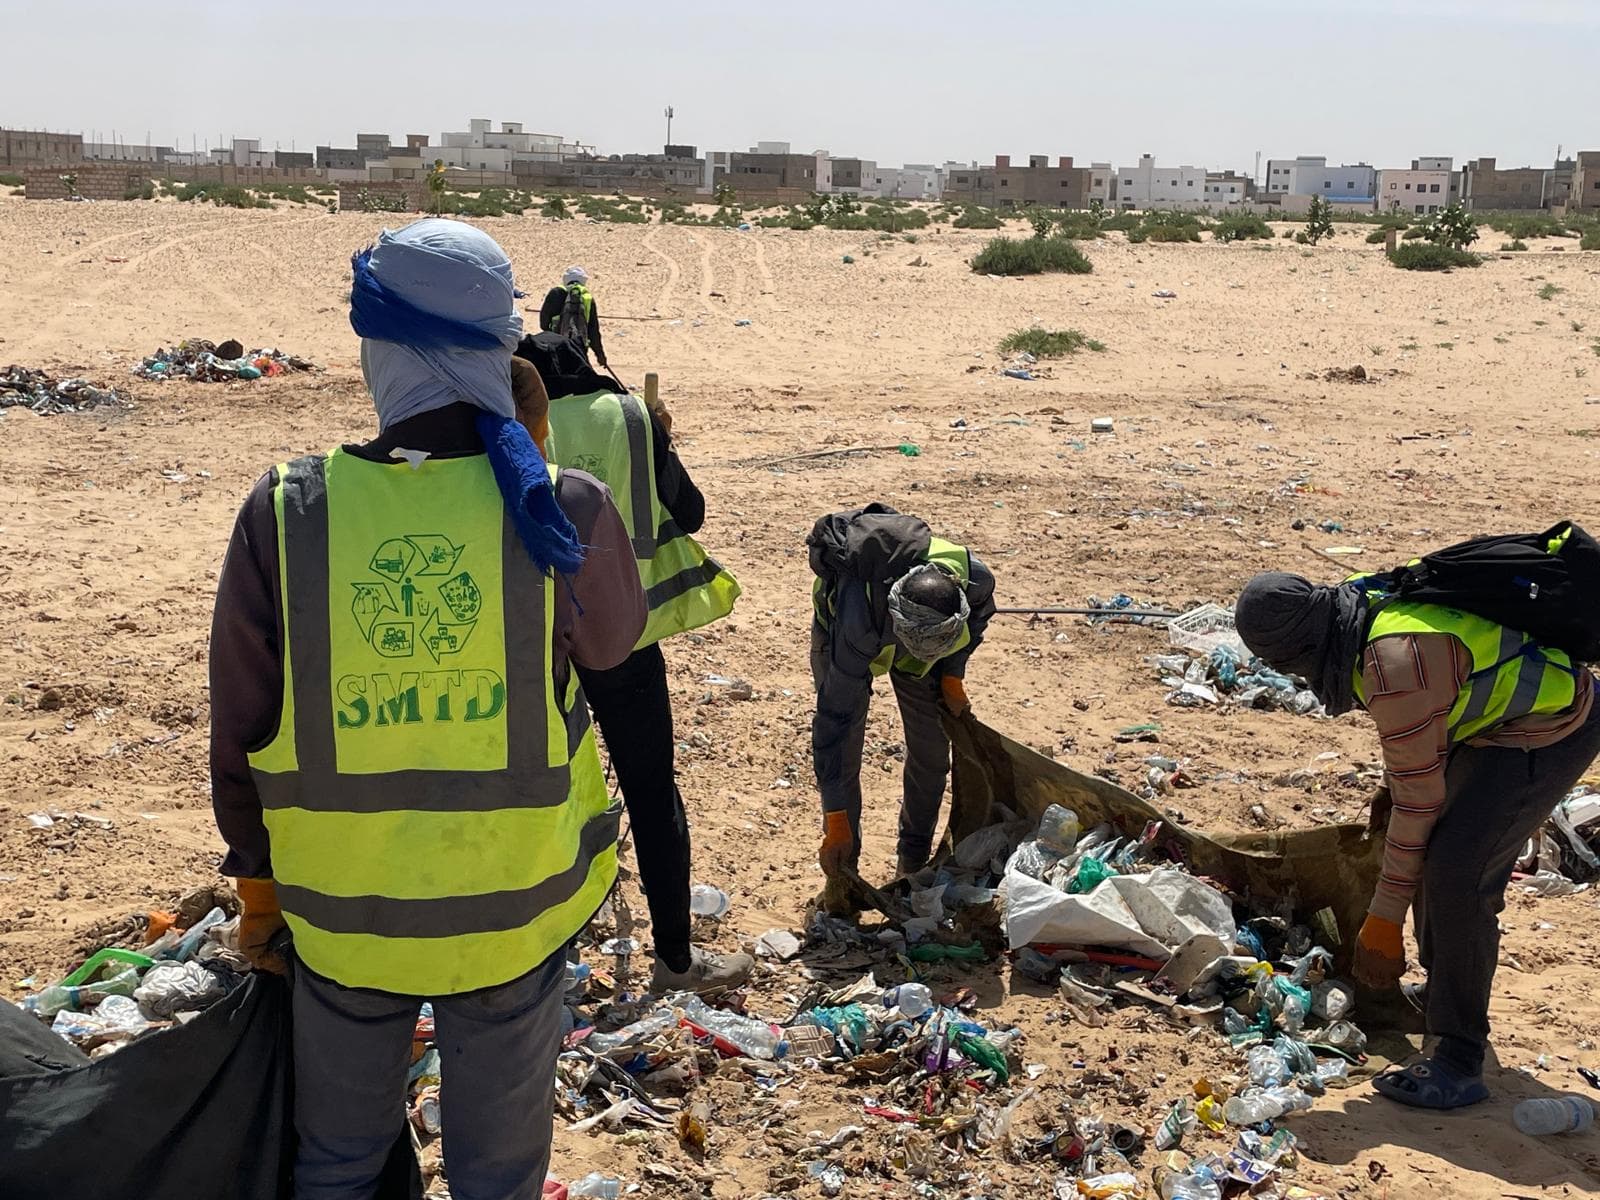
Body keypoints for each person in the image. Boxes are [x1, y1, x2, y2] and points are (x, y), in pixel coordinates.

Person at [209, 218, 646, 1199]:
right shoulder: (559, 510)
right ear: (500, 350)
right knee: (497, 1177)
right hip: (511, 916)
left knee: (336, 1165)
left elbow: (239, 735)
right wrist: (532, 458)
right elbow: (613, 642)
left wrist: (260, 901)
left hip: (344, 920)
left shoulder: (288, 512)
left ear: (379, 349)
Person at [1236, 568, 1600, 1110]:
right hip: (1486, 724)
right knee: (1437, 851)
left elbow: (1419, 801)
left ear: (1304, 644)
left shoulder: (1394, 658)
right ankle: (1442, 994)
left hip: (1551, 727)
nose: (1291, 674)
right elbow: (1431, 718)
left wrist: (1383, 924)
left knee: (1459, 873)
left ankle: (1457, 1056)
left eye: (1284, 661)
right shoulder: (1353, 609)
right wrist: (1394, 785)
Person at [516, 336, 749, 995]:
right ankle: (675, 958)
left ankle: (539, 962)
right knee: (651, 794)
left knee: (543, 792)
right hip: (623, 631)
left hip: (530, 637)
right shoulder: (627, 415)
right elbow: (692, 511)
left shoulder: (504, 421)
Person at [808, 505, 996, 883]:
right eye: (915, 647)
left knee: (931, 752)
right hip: (849, 636)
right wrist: (835, 817)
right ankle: (844, 872)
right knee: (845, 753)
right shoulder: (857, 629)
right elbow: (833, 725)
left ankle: (912, 863)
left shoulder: (974, 580)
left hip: (925, 641)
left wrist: (951, 675)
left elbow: (977, 619)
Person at [539, 265, 606, 369]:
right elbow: (593, 332)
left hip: (555, 347)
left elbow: (543, 324)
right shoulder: (587, 298)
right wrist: (600, 355)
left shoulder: (555, 294)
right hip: (579, 349)